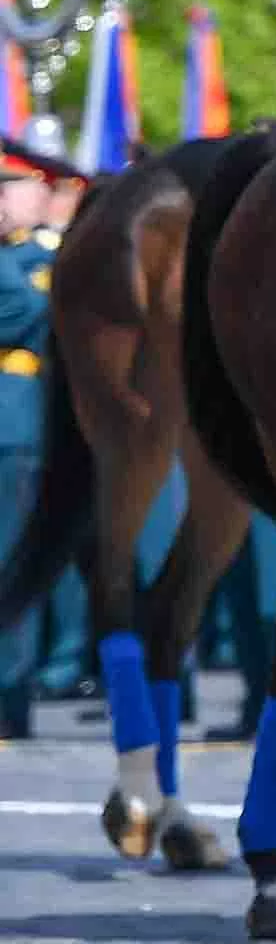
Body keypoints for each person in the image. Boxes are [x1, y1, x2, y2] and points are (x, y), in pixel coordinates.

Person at [0, 148, 61, 738]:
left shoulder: (48, 260)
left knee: (12, 560)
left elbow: (27, 314)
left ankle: (10, 694)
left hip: (17, 425)